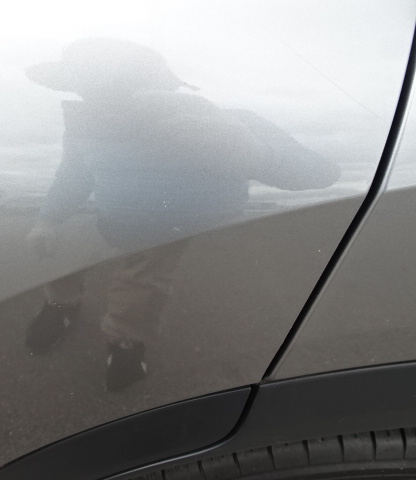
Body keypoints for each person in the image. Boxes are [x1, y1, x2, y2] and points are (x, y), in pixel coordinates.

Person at [24, 37, 339, 391]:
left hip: (170, 230)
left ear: (158, 85)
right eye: (86, 86)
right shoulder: (87, 127)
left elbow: (323, 172)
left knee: (141, 283)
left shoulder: (223, 121)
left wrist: (252, 151)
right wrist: (48, 220)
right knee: (63, 250)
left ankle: (125, 341)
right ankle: (61, 305)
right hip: (111, 218)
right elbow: (74, 175)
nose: (98, 97)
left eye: (112, 84)